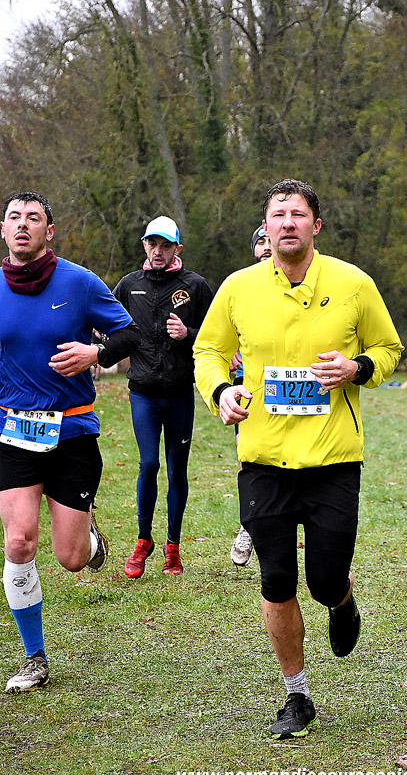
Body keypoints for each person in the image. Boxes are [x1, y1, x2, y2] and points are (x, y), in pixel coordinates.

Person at [194, 178, 402, 739]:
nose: (288, 223)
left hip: (333, 458)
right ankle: (297, 694)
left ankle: (341, 598)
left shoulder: (353, 283)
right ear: (266, 228)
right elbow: (208, 350)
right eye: (278, 215)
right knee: (277, 578)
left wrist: (356, 368)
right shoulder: (238, 287)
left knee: (323, 579)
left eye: (298, 214)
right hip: (263, 458)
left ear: (316, 225)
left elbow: (388, 349)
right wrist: (220, 391)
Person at [0, 190, 140, 693]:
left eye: (33, 218)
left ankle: (90, 536)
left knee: (71, 558)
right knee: (18, 541)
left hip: (73, 432)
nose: (22, 225)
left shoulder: (78, 282)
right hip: (13, 433)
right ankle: (34, 657)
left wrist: (94, 353)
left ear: (49, 230)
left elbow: (130, 334)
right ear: (3, 229)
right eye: (13, 217)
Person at [114, 216, 213, 578]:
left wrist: (188, 333)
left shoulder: (195, 286)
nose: (158, 251)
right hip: (143, 392)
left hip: (179, 394)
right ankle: (144, 540)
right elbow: (108, 323)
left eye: (165, 245)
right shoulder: (129, 285)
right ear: (144, 245)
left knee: (176, 470)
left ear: (177, 249)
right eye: (152, 244)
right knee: (148, 465)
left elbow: (216, 335)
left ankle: (173, 546)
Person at [229, 224, 273, 567]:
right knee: (249, 459)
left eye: (272, 240)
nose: (267, 247)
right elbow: (218, 336)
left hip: (291, 387)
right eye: (261, 241)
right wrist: (228, 352)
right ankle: (249, 525)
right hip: (248, 385)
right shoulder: (240, 287)